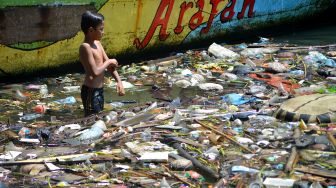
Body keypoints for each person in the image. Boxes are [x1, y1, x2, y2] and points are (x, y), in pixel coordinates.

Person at [79, 11, 125, 117]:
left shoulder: (98, 44)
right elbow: (94, 72)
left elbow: (111, 66)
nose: (103, 32)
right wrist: (108, 62)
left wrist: (119, 82)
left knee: (99, 115)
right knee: (91, 118)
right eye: (101, 29)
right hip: (90, 91)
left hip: (99, 90)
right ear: (91, 30)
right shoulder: (85, 47)